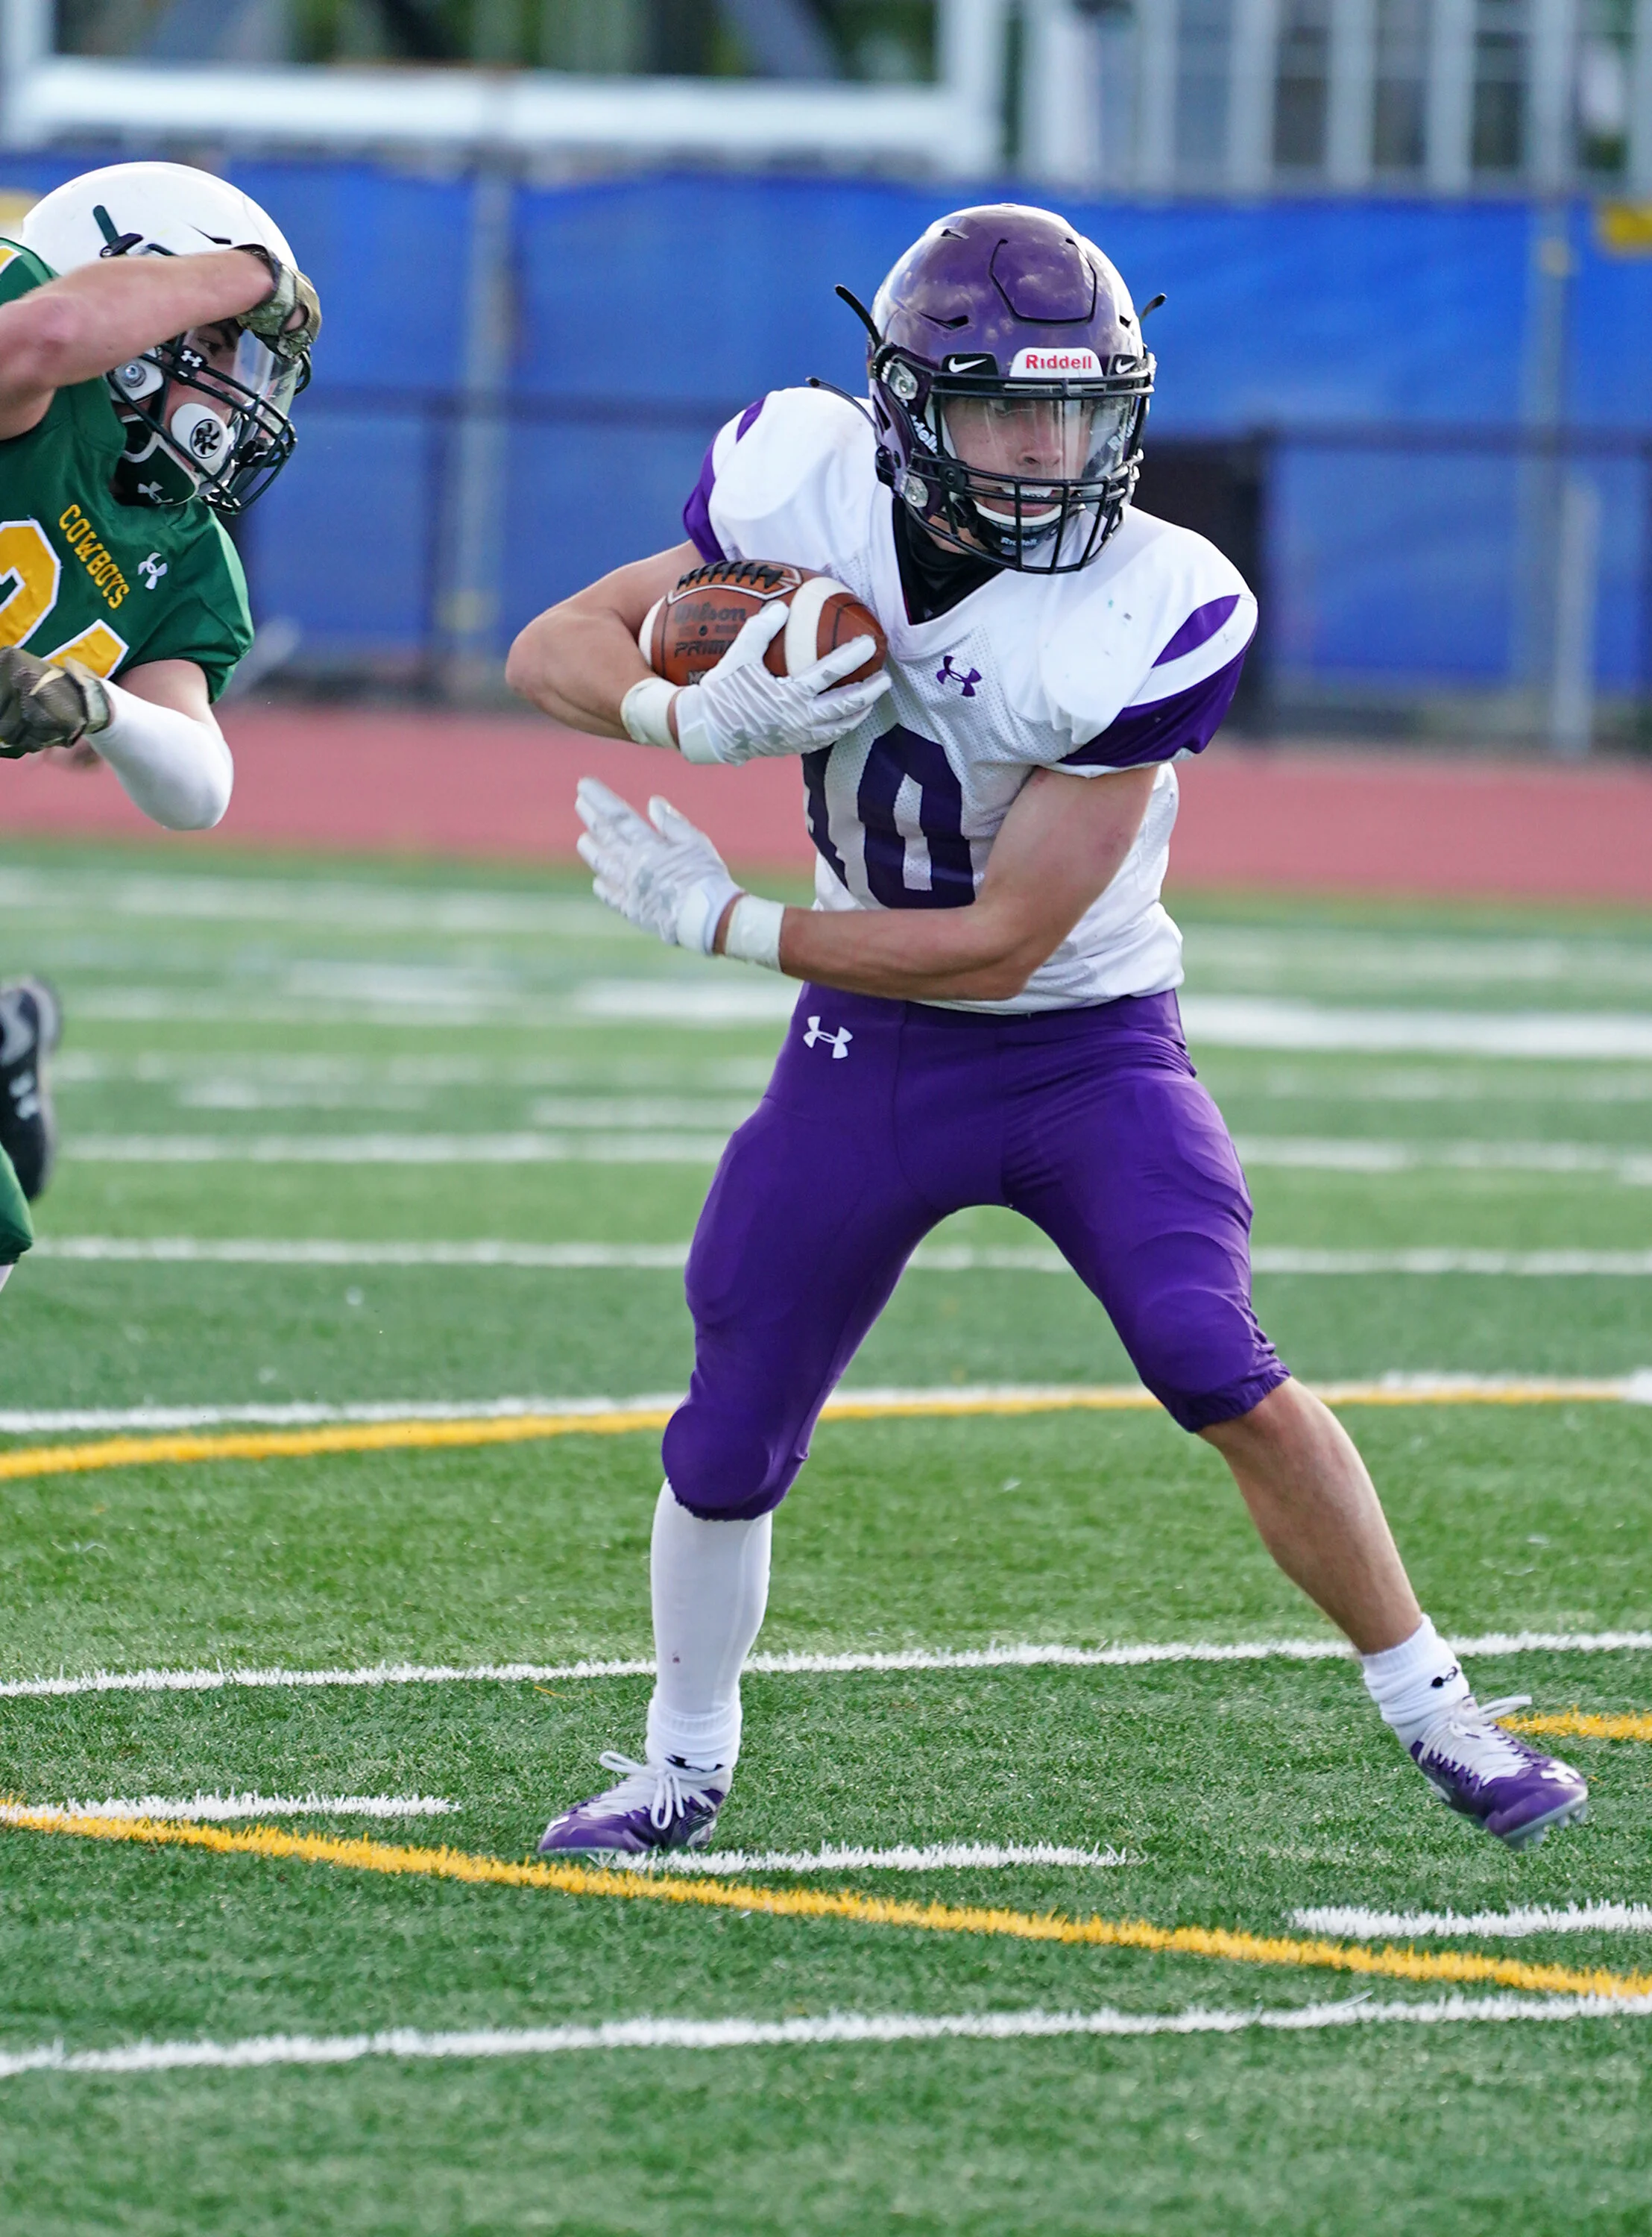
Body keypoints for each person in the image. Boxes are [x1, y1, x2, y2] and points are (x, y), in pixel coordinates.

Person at [507, 203, 1587, 1858]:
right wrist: (681, 709)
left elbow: (1008, 940)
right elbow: (550, 646)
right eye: (1010, 408)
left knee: (1208, 1353)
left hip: (1085, 1046)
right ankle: (679, 1761)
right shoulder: (801, 488)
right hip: (868, 1051)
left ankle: (1439, 1712)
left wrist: (725, 920)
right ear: (904, 413)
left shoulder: (1150, 602)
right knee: (730, 1419)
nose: (1050, 450)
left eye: (1081, 411)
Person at [0, 159, 321, 1292]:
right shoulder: (32, 338)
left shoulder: (183, 550)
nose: (246, 392)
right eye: (229, 346)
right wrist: (240, 273)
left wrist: (101, 704)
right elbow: (38, 340)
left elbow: (198, 787)